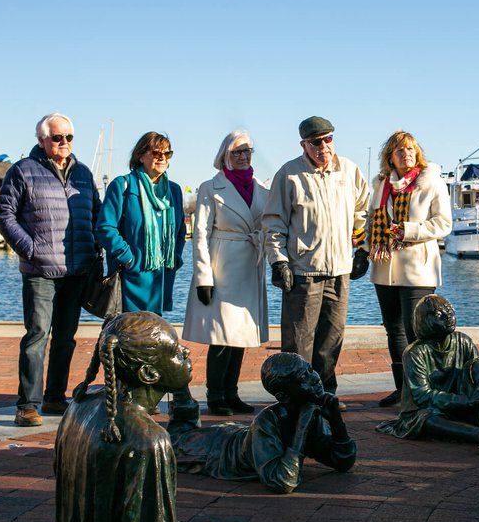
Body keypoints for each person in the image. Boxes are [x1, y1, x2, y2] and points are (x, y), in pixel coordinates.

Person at [0, 311, 247, 522]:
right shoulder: (148, 440)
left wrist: (177, 382)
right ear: (149, 373)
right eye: (176, 351)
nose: (187, 351)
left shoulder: (80, 405)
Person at [0, 113, 101, 427]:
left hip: (76, 268)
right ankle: (27, 404)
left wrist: (94, 249)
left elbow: (95, 211)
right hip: (40, 270)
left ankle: (55, 397)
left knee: (66, 337)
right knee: (37, 336)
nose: (64, 143)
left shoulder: (82, 173)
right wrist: (31, 250)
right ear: (42, 140)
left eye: (69, 137)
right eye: (58, 138)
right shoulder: (23, 171)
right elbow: (5, 215)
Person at [263, 116, 370, 405]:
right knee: (298, 343)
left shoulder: (349, 170)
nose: (324, 146)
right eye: (316, 142)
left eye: (328, 139)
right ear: (304, 145)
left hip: (339, 270)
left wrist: (362, 249)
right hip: (303, 272)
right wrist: (278, 261)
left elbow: (363, 211)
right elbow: (273, 223)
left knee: (331, 341)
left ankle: (325, 395)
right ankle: (295, 399)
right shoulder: (289, 174)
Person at [167, 352, 356, 494]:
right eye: (303, 378)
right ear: (283, 396)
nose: (314, 378)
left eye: (310, 370)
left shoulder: (309, 411)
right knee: (176, 443)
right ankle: (178, 379)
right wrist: (301, 430)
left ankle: (179, 380)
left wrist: (336, 422)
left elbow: (343, 462)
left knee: (185, 432)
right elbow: (281, 482)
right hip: (217, 451)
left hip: (238, 435)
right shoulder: (268, 420)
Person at [182, 130, 269, 416]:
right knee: (221, 336)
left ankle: (232, 393)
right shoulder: (210, 187)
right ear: (225, 156)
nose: (243, 156)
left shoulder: (261, 188)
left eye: (247, 151)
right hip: (222, 265)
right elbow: (200, 235)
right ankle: (215, 395)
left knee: (240, 335)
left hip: (250, 264)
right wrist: (203, 277)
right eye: (237, 152)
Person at [365, 131, 451, 408]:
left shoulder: (431, 182)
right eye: (400, 150)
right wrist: (363, 248)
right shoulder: (381, 184)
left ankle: (424, 388)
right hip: (385, 265)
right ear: (390, 156)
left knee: (417, 331)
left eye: (411, 150)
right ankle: (403, 389)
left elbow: (443, 224)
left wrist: (407, 230)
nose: (407, 155)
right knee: (394, 330)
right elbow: (370, 220)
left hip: (417, 267)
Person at [376, 295, 479, 450]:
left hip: (461, 403)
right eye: (440, 315)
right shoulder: (415, 352)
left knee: (476, 365)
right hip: (427, 409)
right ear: (424, 320)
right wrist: (467, 400)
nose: (449, 317)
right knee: (427, 420)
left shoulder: (463, 341)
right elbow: (422, 396)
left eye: (451, 312)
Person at [95, 131, 185, 315]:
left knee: (152, 338)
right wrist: (128, 259)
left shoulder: (174, 190)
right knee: (126, 337)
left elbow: (180, 231)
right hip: (131, 280)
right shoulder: (122, 185)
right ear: (141, 155)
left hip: (161, 280)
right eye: (156, 153)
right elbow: (105, 228)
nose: (162, 158)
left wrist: (175, 257)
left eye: (167, 153)